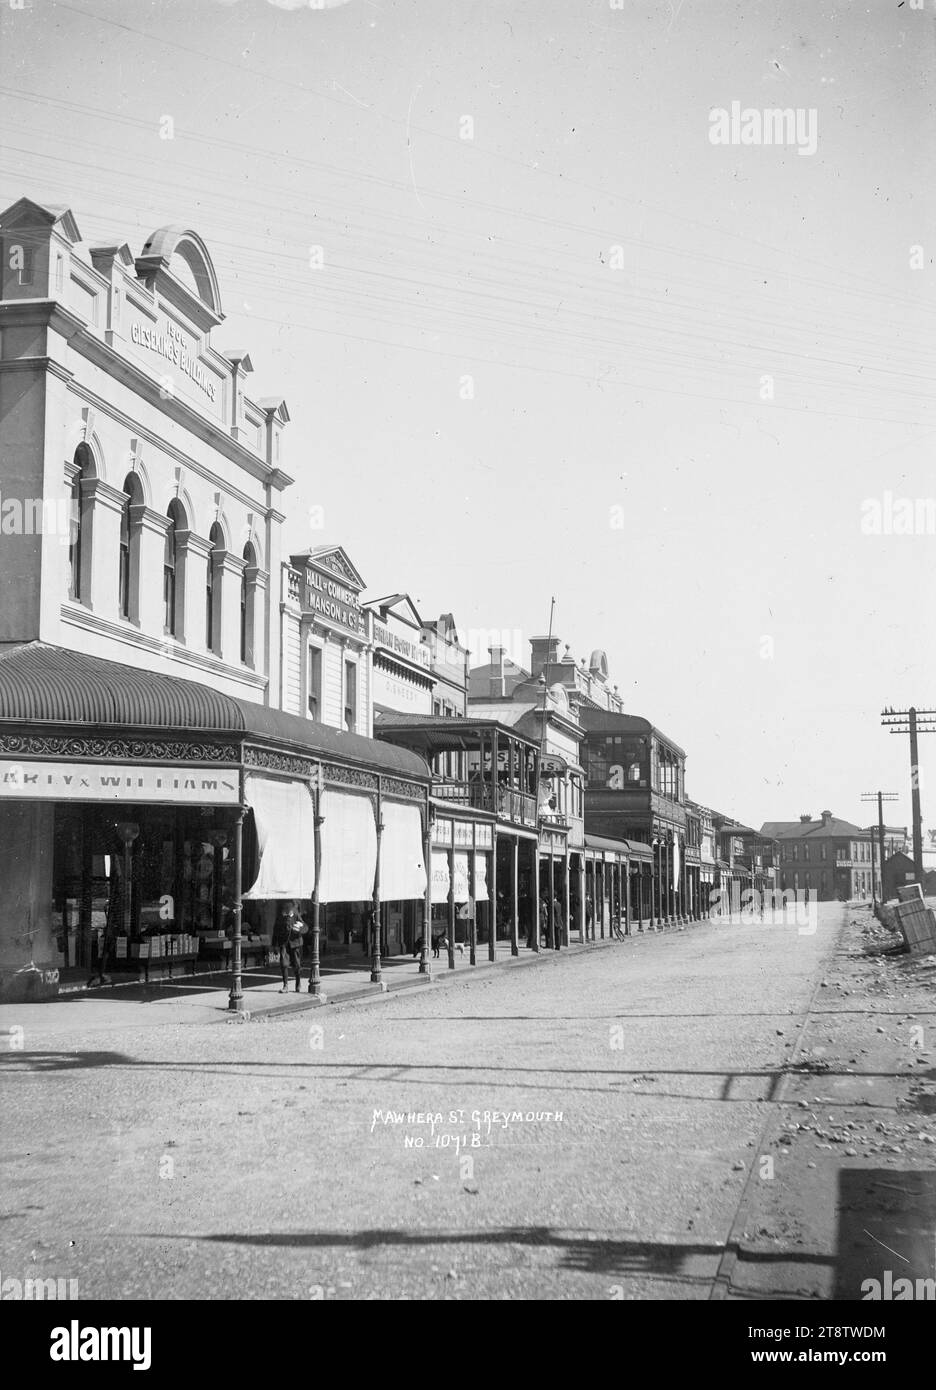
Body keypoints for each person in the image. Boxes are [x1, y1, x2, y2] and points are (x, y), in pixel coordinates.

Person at [272, 900, 307, 993]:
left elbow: (305, 927)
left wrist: (299, 928)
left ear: (292, 907)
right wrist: (274, 945)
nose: (287, 909)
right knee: (284, 964)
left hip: (295, 944)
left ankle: (298, 984)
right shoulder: (280, 917)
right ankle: (285, 985)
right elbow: (275, 932)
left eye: (289, 907)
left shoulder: (296, 915)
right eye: (286, 907)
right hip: (284, 944)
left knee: (297, 965)